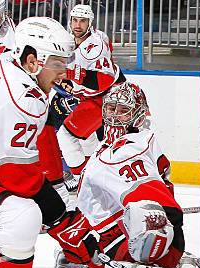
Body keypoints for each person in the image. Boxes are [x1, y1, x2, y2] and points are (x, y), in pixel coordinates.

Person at [49, 82, 198, 268]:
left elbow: (154, 205)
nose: (114, 115)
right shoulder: (128, 144)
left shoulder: (128, 150)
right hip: (122, 236)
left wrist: (153, 236)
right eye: (111, 108)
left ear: (138, 114)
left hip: (145, 240)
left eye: (123, 110)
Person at [0, 17, 76, 268]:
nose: (65, 74)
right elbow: (17, 175)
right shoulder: (20, 99)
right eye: (58, 64)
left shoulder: (12, 68)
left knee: (21, 213)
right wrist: (60, 216)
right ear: (33, 60)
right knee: (23, 214)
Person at [54, 4, 126, 191]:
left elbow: (103, 80)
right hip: (92, 98)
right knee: (87, 139)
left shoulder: (94, 46)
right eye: (74, 20)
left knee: (66, 135)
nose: (77, 25)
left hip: (106, 97)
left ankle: (83, 179)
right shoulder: (70, 40)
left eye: (82, 21)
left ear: (90, 23)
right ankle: (96, 178)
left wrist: (70, 74)